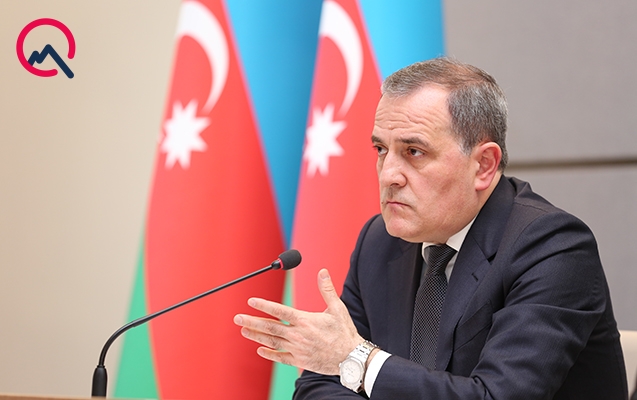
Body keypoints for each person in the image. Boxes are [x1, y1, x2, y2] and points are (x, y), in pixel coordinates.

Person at [233, 57, 628, 399]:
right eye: (381, 149)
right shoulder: (380, 242)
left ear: (484, 165)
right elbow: (320, 385)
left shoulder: (552, 248)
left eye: (414, 152)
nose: (388, 174)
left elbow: (496, 395)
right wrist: (347, 362)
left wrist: (359, 360)